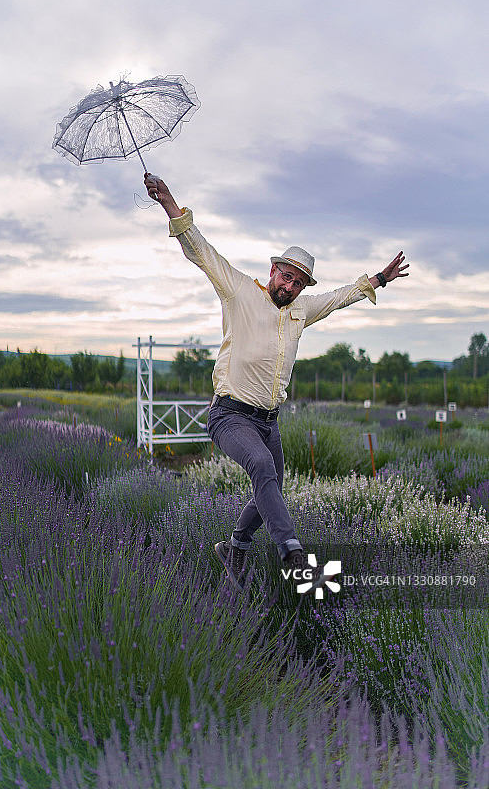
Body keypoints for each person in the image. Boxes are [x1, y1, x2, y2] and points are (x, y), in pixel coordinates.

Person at [144, 172, 409, 592]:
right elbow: (201, 250)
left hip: (268, 420)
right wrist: (168, 201)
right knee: (263, 468)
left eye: (298, 282)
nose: (289, 286)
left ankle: (235, 547)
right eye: (286, 276)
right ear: (273, 270)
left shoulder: (301, 311)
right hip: (230, 415)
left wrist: (378, 279)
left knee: (272, 484)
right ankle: (294, 555)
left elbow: (340, 297)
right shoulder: (240, 292)